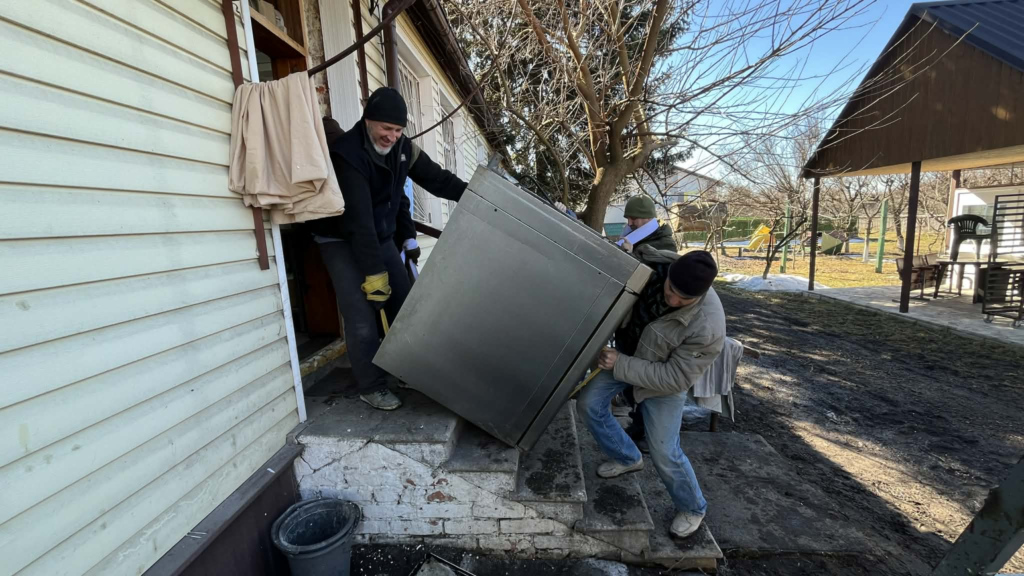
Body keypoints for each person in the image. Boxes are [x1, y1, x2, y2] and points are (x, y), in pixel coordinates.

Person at [309, 87, 466, 411]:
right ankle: (371, 385)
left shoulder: (403, 149)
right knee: (362, 316)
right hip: (339, 238)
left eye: (397, 130)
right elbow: (358, 223)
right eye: (386, 128)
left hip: (378, 234)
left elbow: (438, 180)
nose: (392, 136)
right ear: (368, 121)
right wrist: (374, 276)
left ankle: (407, 368)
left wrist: (475, 194)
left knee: (403, 305)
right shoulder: (347, 154)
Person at [578, 248, 725, 539]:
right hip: (627, 355)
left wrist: (621, 364)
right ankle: (627, 457)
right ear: (667, 274)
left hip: (662, 378)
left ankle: (693, 507)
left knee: (664, 450)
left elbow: (676, 377)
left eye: (685, 299)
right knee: (588, 404)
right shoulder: (647, 269)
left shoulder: (708, 327)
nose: (674, 300)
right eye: (671, 291)